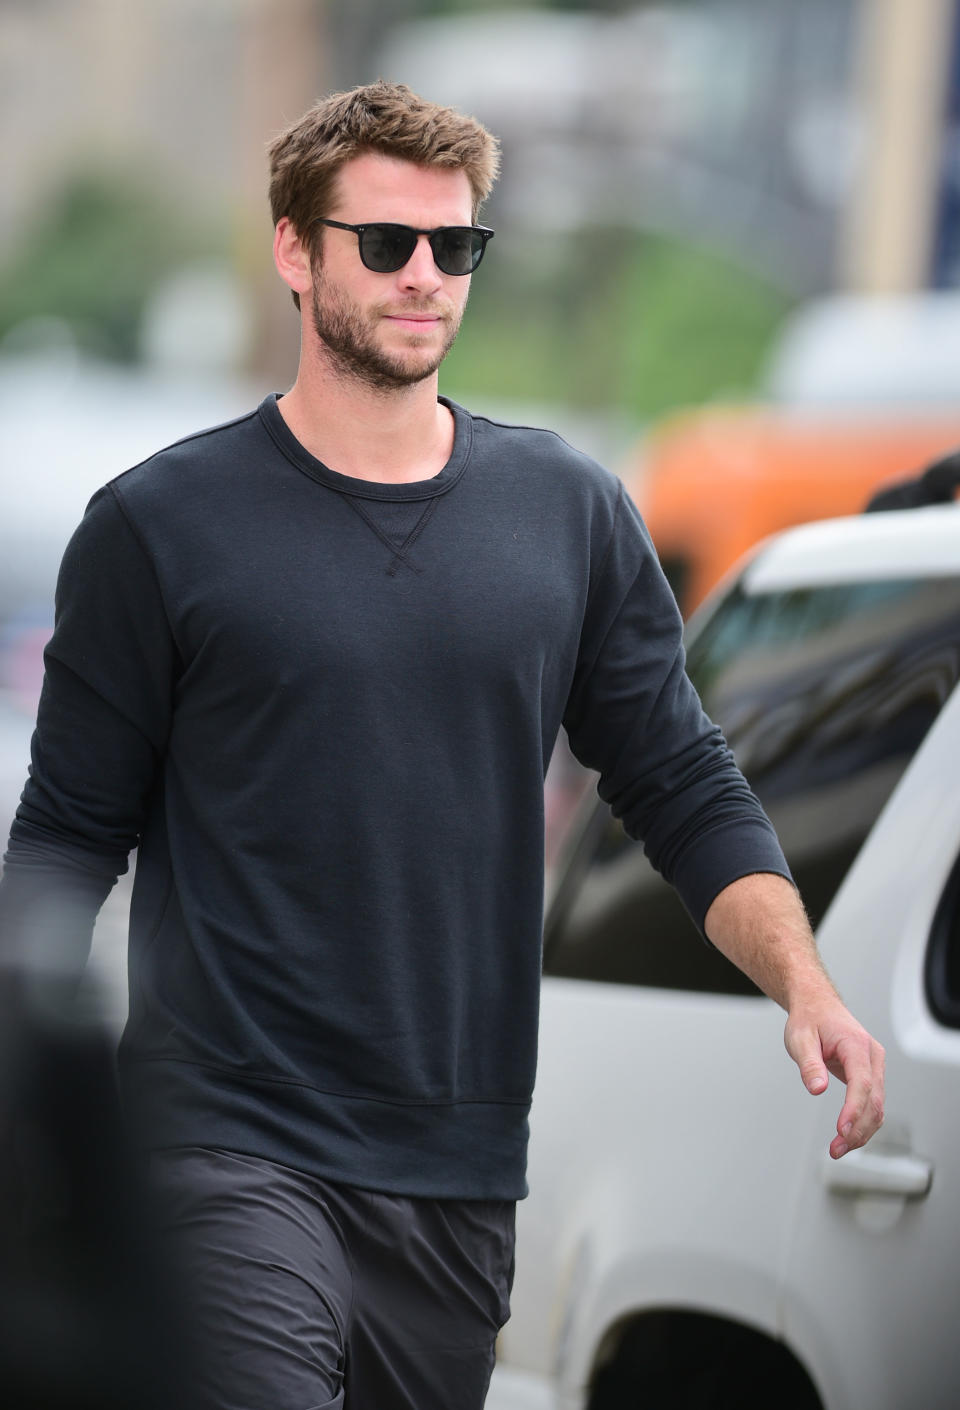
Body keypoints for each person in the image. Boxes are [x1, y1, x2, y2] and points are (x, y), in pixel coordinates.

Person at [0, 80, 884, 1410]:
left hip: (458, 1176)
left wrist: (808, 985)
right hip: (224, 1147)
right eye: (387, 243)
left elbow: (680, 777)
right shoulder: (158, 527)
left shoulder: (569, 513)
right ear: (295, 252)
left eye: (455, 247)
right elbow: (67, 836)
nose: (426, 276)